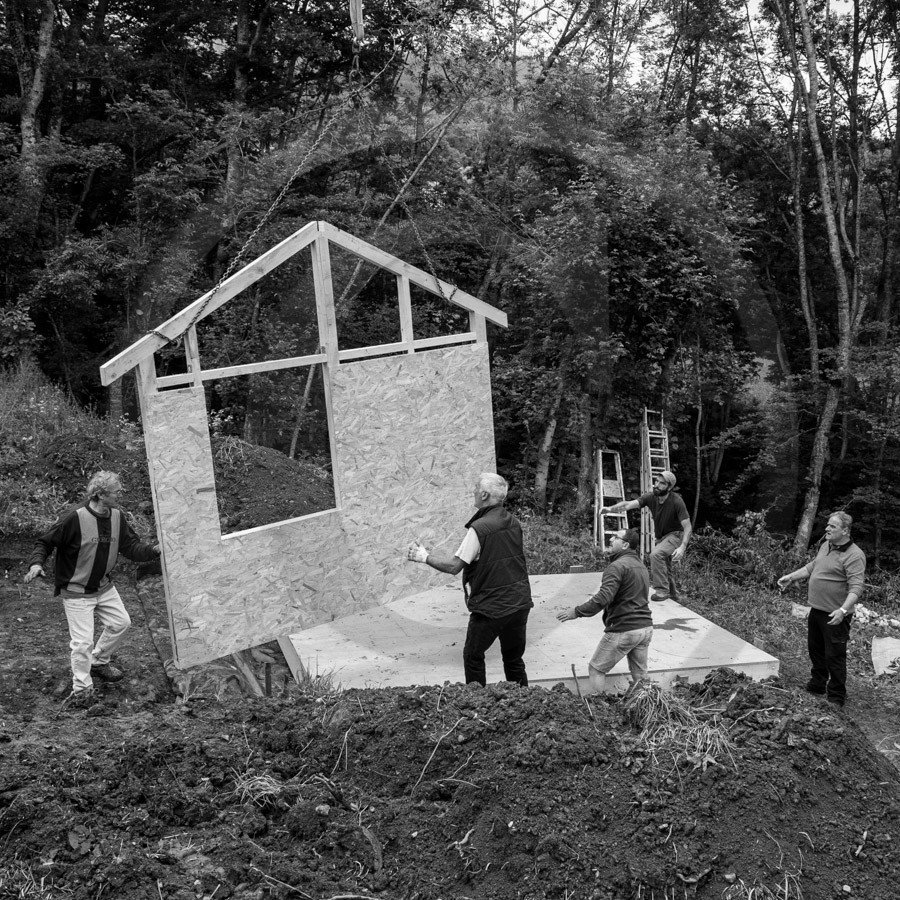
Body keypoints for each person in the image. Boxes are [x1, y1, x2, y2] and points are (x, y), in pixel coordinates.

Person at [24, 471, 161, 708]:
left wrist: (154, 551)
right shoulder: (74, 518)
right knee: (81, 643)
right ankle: (82, 690)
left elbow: (130, 548)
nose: (121, 494)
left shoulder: (117, 517)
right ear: (100, 494)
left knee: (121, 623)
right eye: (116, 490)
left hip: (104, 586)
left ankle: (99, 662)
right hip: (76, 591)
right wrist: (37, 564)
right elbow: (45, 541)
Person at [407, 473, 533, 687]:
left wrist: (423, 556)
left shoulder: (479, 529)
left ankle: (477, 705)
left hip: (491, 607)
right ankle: (526, 703)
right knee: (513, 659)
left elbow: (454, 566)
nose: (473, 491)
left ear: (484, 495)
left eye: (476, 488)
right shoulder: (513, 522)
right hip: (520, 603)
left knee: (473, 656)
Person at [777, 511, 866, 708]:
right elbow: (812, 567)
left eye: (832, 526)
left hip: (836, 615)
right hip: (816, 610)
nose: (827, 528)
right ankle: (817, 684)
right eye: (828, 525)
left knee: (834, 655)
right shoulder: (827, 545)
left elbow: (856, 588)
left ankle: (836, 696)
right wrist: (791, 577)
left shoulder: (855, 555)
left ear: (845, 531)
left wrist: (842, 611)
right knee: (816, 650)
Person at [556, 528, 653, 693]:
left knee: (596, 669)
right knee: (640, 674)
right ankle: (649, 709)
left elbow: (603, 598)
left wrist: (577, 611)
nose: (611, 539)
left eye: (615, 537)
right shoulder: (641, 566)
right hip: (645, 629)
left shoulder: (616, 567)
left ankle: (600, 711)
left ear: (625, 545)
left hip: (625, 628)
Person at [598, 469, 691, 602]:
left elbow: (687, 526)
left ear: (669, 487)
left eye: (661, 483)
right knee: (664, 566)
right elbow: (628, 505)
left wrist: (682, 547)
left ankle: (661, 591)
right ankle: (674, 596)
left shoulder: (677, 501)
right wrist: (610, 509)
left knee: (655, 555)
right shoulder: (651, 497)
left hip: (676, 535)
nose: (656, 485)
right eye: (656, 481)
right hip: (662, 538)